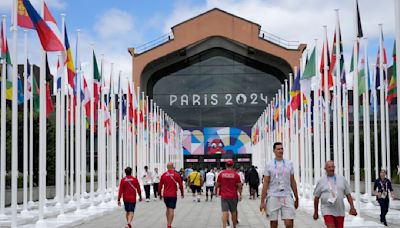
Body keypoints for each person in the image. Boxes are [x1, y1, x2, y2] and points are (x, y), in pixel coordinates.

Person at [260, 142, 299, 228]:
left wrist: (297, 197)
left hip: (286, 195)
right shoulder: (269, 165)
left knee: (289, 223)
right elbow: (266, 183)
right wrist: (262, 201)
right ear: (274, 151)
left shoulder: (289, 163)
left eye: (282, 149)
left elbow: (292, 181)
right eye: (278, 149)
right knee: (273, 224)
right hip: (273, 196)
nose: (281, 151)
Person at [313, 160, 357, 228]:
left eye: (333, 167)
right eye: (329, 167)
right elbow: (316, 197)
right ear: (325, 169)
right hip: (327, 209)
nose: (331, 169)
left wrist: (352, 207)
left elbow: (348, 194)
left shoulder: (342, 179)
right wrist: (315, 212)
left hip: (340, 210)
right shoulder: (321, 180)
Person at [215, 160, 243, 228]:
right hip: (233, 196)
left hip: (224, 196)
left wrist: (216, 190)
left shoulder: (221, 174)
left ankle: (224, 226)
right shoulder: (236, 174)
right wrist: (240, 194)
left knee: (224, 212)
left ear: (225, 166)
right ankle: (234, 226)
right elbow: (240, 186)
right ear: (233, 166)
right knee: (233, 212)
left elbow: (217, 185)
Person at [159, 162, 184, 228]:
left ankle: (168, 222)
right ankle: (169, 225)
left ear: (167, 167)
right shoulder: (176, 175)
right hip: (173, 195)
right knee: (171, 209)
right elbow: (181, 185)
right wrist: (182, 193)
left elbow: (160, 185)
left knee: (167, 208)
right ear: (173, 167)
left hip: (165, 195)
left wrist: (159, 194)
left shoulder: (163, 175)